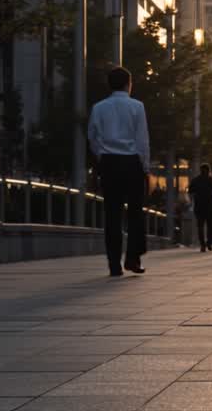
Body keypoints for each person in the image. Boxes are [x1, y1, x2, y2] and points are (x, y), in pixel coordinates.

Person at [88, 66, 151, 277]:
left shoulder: (99, 108)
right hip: (132, 163)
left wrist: (102, 156)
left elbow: (93, 137)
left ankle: (113, 263)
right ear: (128, 84)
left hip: (110, 164)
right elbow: (142, 140)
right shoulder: (137, 106)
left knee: (112, 215)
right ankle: (133, 258)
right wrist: (145, 168)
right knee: (135, 213)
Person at [188, 164, 212, 252]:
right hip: (210, 205)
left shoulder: (195, 180)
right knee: (211, 226)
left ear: (200, 170)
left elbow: (190, 193)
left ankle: (202, 244)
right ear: (209, 170)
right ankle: (209, 243)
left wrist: (192, 202)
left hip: (199, 205)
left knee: (200, 226)